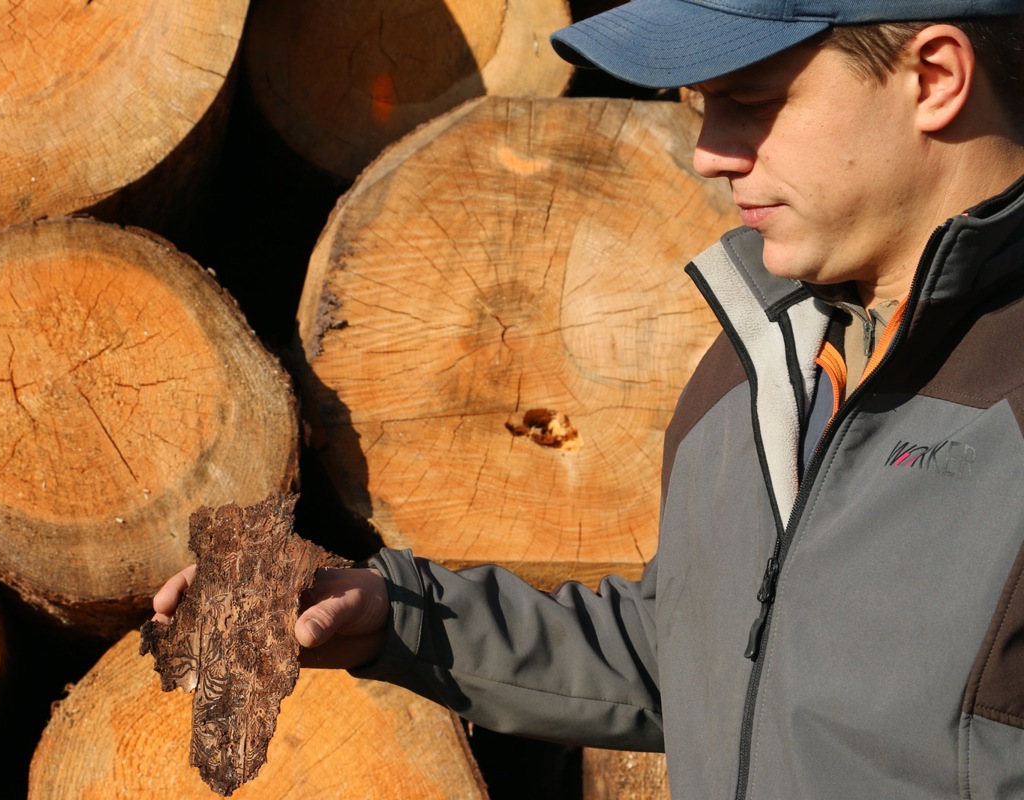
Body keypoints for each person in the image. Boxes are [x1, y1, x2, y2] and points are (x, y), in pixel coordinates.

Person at [155, 1, 1024, 796]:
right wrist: (400, 619)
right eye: (698, 104)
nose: (708, 153)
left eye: (751, 101)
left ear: (935, 78)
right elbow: (694, 658)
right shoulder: (758, 358)